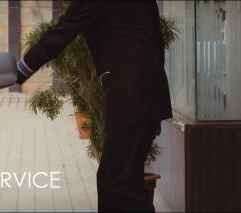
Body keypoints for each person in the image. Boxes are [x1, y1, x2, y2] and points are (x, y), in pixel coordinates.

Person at [15, 1, 172, 212]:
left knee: (118, 184)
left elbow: (60, 34)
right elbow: (155, 37)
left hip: (131, 97)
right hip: (146, 96)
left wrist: (17, 72)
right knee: (121, 181)